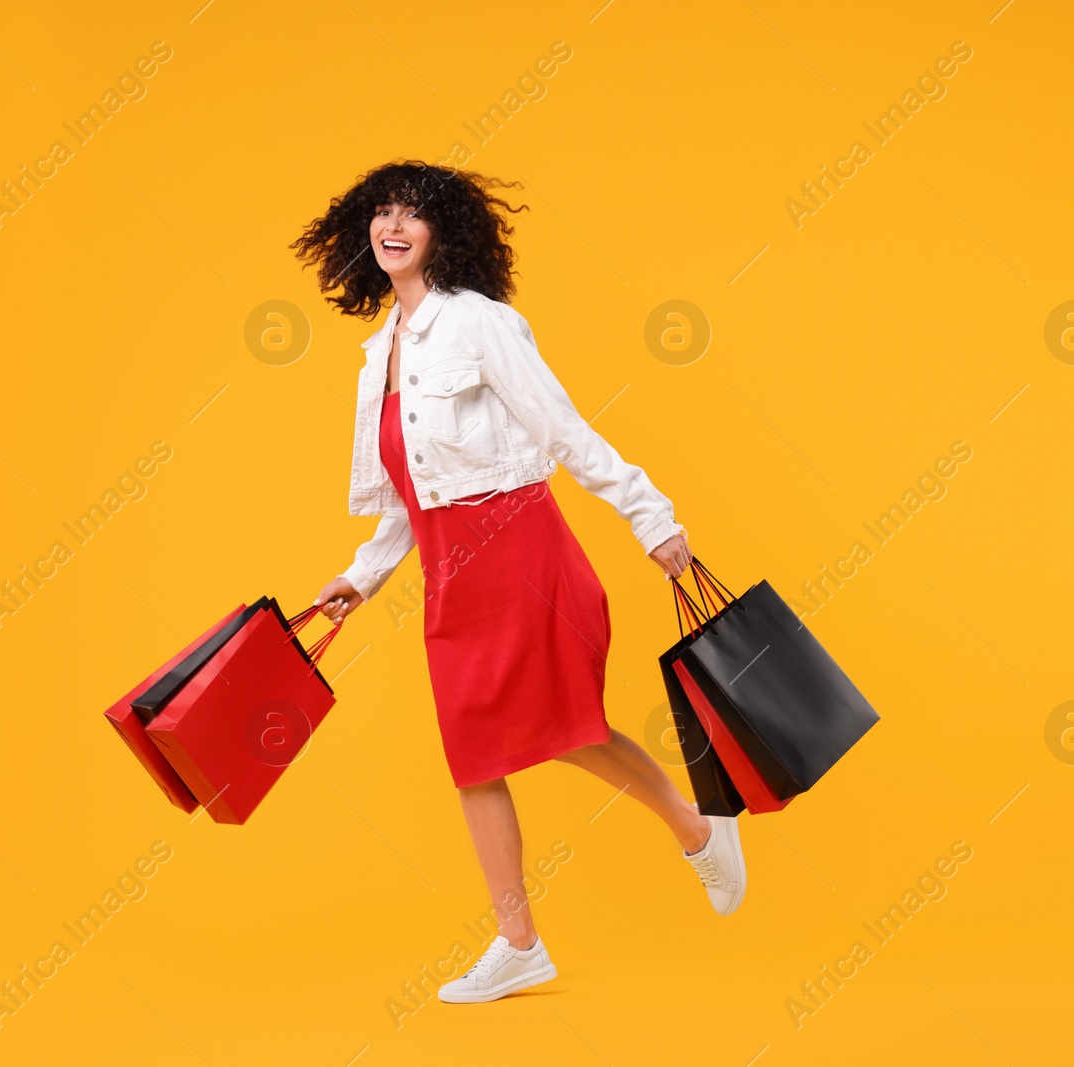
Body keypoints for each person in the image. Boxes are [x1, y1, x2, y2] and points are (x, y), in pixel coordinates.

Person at [292, 161, 747, 1004]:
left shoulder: (481, 324)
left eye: (413, 215)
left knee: (569, 729)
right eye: (382, 212)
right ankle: (519, 940)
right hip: (447, 576)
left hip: (519, 553)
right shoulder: (379, 349)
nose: (393, 226)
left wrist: (651, 518)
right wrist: (363, 575)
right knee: (472, 757)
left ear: (444, 233)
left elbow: (564, 428)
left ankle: (697, 832)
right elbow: (408, 489)